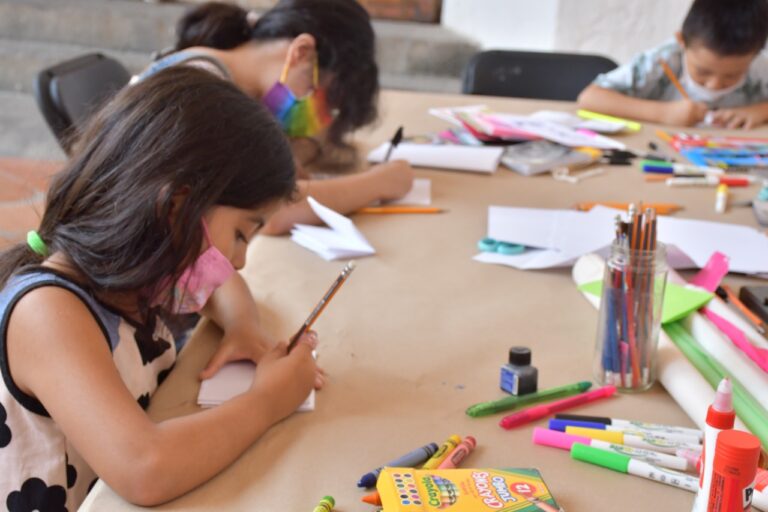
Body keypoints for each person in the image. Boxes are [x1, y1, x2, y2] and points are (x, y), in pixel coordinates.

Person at [0, 67, 322, 509]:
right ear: (175, 207)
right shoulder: (48, 313)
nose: (240, 260)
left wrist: (243, 329)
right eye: (242, 235)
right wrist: (268, 400)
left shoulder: (143, 272)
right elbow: (145, 468)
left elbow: (225, 285)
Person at [134, 0, 415, 235]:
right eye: (323, 100)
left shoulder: (228, 83)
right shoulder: (205, 86)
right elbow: (269, 211)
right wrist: (378, 183)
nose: (319, 119)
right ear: (302, 53)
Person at [577, 0, 768, 129]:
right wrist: (663, 114)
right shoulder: (663, 60)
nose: (714, 85)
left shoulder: (758, 67)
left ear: (756, 53)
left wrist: (760, 112)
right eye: (703, 71)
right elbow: (590, 97)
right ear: (681, 41)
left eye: (731, 75)